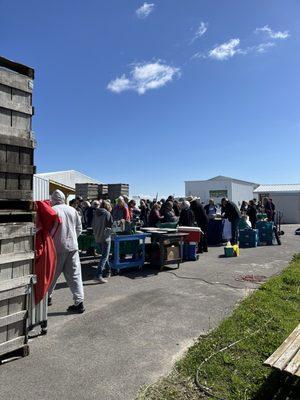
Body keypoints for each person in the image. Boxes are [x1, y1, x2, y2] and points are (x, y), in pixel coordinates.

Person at [48, 190, 85, 313]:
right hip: (73, 247)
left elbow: (47, 230)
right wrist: (73, 238)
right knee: (75, 275)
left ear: (53, 199)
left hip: (56, 248)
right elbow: (79, 228)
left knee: (52, 275)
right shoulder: (72, 210)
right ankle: (79, 303)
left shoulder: (53, 210)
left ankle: (47, 297)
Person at [92, 200, 113, 283]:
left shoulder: (95, 214)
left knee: (105, 255)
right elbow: (111, 225)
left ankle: (108, 271)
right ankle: (98, 275)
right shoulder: (107, 214)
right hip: (105, 238)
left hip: (97, 237)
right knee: (104, 256)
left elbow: (92, 225)